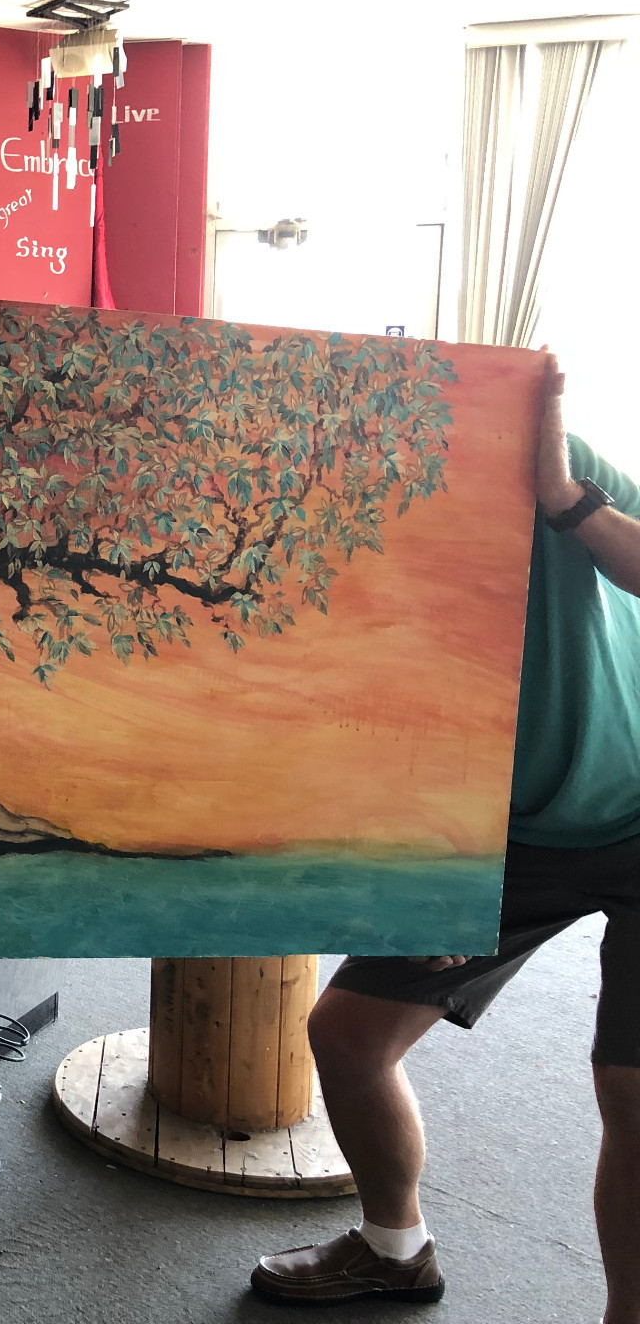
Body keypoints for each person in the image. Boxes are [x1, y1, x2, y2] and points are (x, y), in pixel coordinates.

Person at [251, 357, 640, 1319]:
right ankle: (396, 1252)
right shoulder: (318, 526)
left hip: (634, 802)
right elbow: (327, 720)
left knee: (632, 1092)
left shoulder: (555, 462)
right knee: (348, 1038)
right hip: (492, 833)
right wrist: (415, 881)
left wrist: (565, 501)